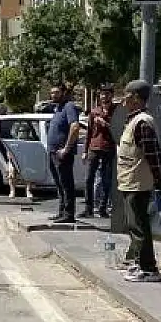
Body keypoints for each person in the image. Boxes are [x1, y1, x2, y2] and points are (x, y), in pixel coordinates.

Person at [115, 80, 161, 282]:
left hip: (138, 183)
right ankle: (138, 262)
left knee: (139, 227)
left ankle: (148, 268)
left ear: (136, 98)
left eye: (126, 97)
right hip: (129, 181)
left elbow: (153, 155)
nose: (123, 101)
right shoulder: (134, 120)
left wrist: (160, 181)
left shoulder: (143, 123)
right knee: (134, 225)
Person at [45, 85, 80, 223]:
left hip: (62, 153)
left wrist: (66, 148)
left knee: (66, 184)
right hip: (53, 152)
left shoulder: (69, 106)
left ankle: (69, 214)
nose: (53, 95)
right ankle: (62, 212)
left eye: (56, 92)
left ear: (64, 93)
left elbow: (75, 126)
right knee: (59, 184)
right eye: (51, 92)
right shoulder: (58, 109)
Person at [81, 89, 117, 218]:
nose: (104, 96)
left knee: (107, 179)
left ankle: (102, 208)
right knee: (88, 179)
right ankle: (88, 208)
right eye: (102, 94)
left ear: (111, 95)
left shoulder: (117, 111)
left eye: (107, 94)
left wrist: (106, 123)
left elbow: (119, 130)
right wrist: (85, 151)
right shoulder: (94, 112)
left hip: (109, 148)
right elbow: (89, 133)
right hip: (94, 148)